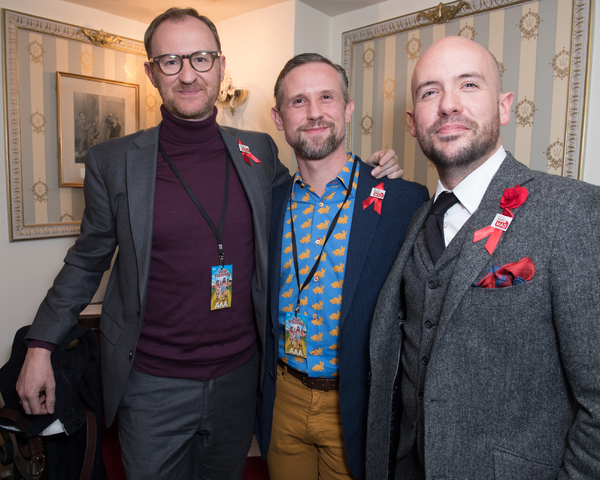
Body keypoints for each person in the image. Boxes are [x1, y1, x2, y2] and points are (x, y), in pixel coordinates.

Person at [15, 8, 401, 480]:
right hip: (152, 385)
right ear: (152, 72)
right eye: (171, 61)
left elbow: (313, 188)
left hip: (241, 381)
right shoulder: (113, 162)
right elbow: (85, 261)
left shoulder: (257, 151)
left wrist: (377, 173)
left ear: (220, 65)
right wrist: (40, 347)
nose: (189, 74)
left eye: (200, 58)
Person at [366, 36, 600, 480]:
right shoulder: (416, 218)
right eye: (430, 91)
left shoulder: (573, 212)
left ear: (505, 106)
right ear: (414, 122)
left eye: (469, 85)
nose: (448, 105)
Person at [256, 54, 429, 480]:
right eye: (298, 102)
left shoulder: (402, 201)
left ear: (348, 109)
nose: (314, 113)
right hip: (283, 399)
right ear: (279, 118)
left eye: (326, 98)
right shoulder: (265, 201)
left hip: (357, 402)